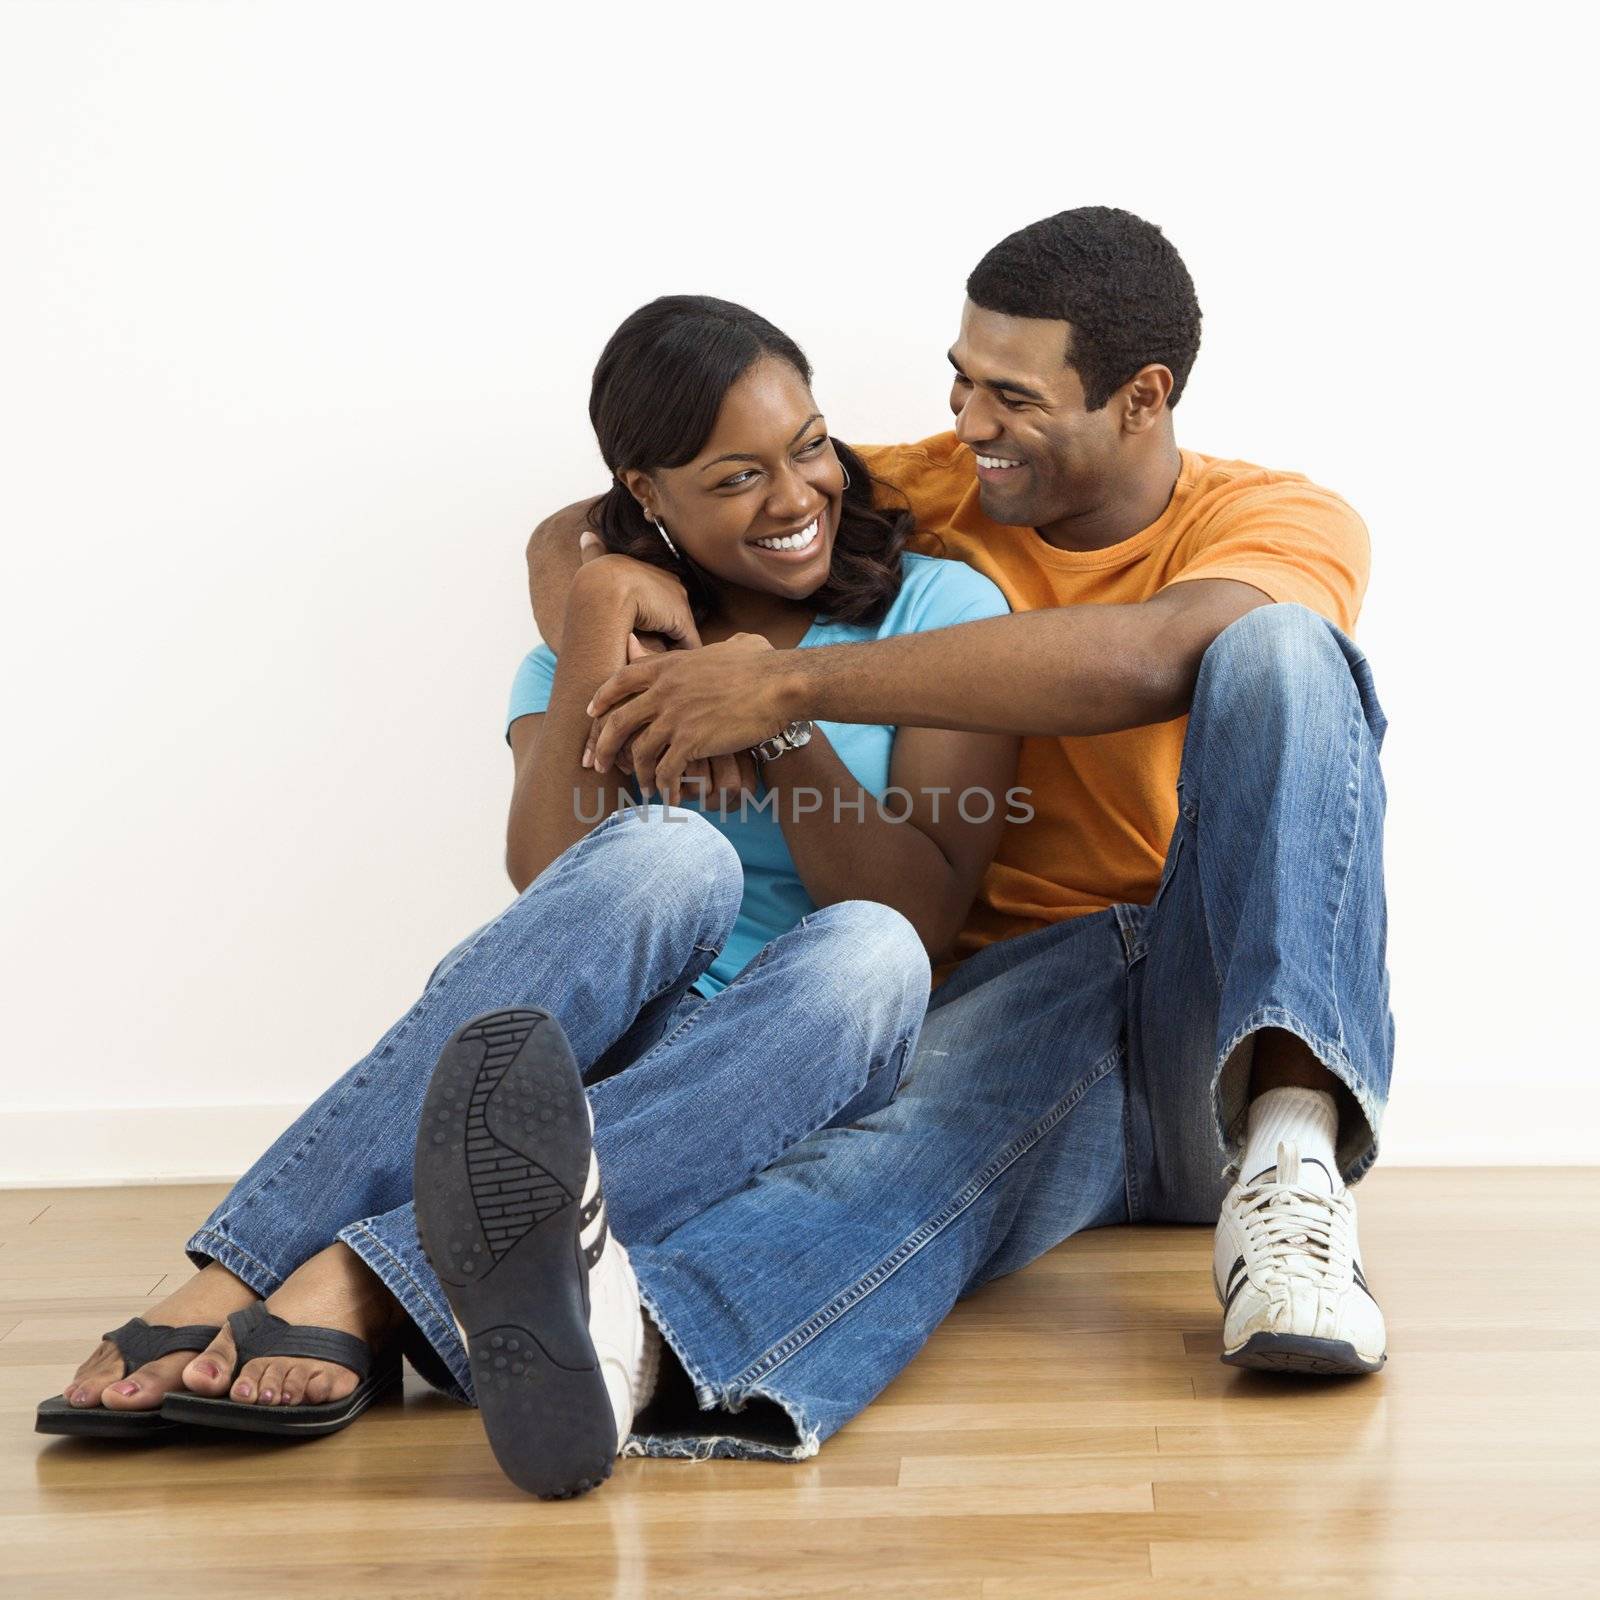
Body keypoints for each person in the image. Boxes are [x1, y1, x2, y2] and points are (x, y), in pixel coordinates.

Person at [507, 205, 1393, 1477]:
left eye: (1011, 396)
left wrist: (788, 692)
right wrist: (602, 602)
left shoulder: (1281, 519)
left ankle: (1296, 1158)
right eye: (960, 382)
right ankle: (651, 1346)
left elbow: (1146, 657)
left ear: (1141, 397)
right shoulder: (942, 481)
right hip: (1007, 1005)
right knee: (921, 1135)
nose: (968, 425)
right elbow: (596, 521)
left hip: (1210, 1020)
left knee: (1284, 652)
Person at [37, 297, 1016, 1443]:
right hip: (601, 1053)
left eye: (809, 445)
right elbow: (553, 883)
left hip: (794, 1057)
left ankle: (360, 1279)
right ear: (647, 494)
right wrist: (599, 605)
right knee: (664, 853)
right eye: (735, 476)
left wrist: (772, 708)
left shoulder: (940, 607)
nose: (798, 497)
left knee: (873, 952)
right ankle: (241, 1269)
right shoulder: (589, 634)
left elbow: (918, 908)